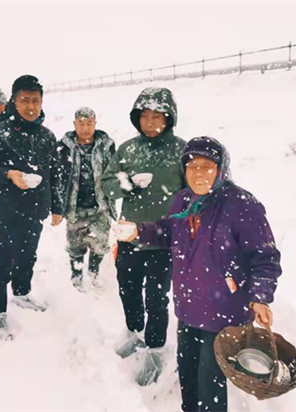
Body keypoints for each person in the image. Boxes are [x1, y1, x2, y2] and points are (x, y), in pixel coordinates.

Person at [119, 136, 282, 409]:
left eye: (207, 166)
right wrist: (138, 231)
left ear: (221, 170)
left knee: (211, 388)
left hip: (225, 316)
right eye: (192, 166)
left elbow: (264, 256)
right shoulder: (183, 200)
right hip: (188, 310)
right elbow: (168, 231)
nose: (198, 173)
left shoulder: (240, 204)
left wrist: (260, 296)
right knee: (190, 381)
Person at [100, 87, 186, 370]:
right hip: (129, 237)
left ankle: (155, 349)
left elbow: (193, 194)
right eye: (145, 117)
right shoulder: (128, 149)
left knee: (157, 298)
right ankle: (134, 333)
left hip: (163, 240)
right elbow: (107, 185)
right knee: (128, 290)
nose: (150, 123)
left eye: (157, 117)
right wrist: (129, 182)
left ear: (169, 118)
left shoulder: (181, 150)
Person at [0, 75, 58, 340]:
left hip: (35, 211)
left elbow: (54, 173)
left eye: (35, 100)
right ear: (14, 101)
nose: (31, 106)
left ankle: (21, 293)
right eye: (25, 100)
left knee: (27, 257)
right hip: (6, 211)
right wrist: (9, 174)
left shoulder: (47, 136)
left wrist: (56, 206)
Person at [51, 107, 116, 291]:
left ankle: (93, 271)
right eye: (81, 123)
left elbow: (114, 171)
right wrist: (57, 203)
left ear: (95, 123)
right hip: (75, 206)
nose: (85, 128)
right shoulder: (64, 146)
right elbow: (56, 175)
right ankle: (77, 274)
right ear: (74, 124)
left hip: (100, 206)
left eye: (89, 123)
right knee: (75, 244)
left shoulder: (106, 145)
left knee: (100, 243)